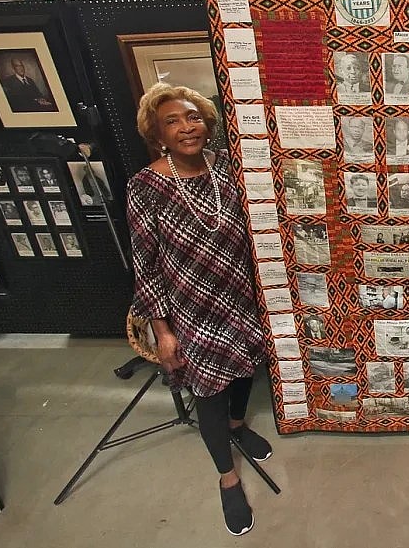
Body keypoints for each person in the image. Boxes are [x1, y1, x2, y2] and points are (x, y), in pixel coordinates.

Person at [127, 83, 271, 535]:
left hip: (242, 296)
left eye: (193, 117)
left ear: (207, 123)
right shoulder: (145, 185)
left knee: (247, 368)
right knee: (207, 388)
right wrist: (162, 330)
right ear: (157, 133)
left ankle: (236, 424)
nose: (186, 127)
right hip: (190, 309)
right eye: (172, 121)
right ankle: (228, 480)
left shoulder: (227, 167)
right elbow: (145, 263)